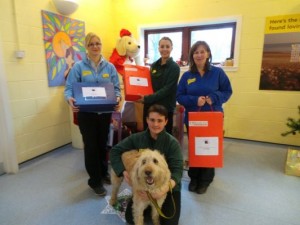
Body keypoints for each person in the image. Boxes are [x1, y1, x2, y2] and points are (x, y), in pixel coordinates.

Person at [64, 32, 121, 196]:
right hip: (86, 114)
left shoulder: (109, 67)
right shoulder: (78, 67)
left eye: (98, 43)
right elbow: (68, 89)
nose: (95, 46)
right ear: (86, 47)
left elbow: (116, 88)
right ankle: (94, 181)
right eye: (91, 44)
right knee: (91, 147)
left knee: (103, 145)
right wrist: (70, 100)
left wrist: (117, 97)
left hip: (104, 114)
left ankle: (103, 173)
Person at [110, 104, 183, 225]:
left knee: (170, 222)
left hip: (166, 185)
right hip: (142, 185)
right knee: (130, 219)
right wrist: (122, 171)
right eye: (152, 120)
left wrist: (163, 190)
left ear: (166, 121)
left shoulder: (172, 143)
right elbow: (114, 151)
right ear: (147, 120)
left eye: (160, 120)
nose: (155, 124)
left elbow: (178, 171)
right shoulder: (136, 138)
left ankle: (152, 210)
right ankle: (115, 196)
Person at [176, 41, 232, 194]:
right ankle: (194, 177)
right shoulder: (187, 75)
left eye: (202, 51)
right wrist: (195, 100)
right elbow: (179, 96)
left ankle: (206, 179)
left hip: (212, 117)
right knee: (195, 147)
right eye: (196, 52)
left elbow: (228, 91)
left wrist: (214, 97)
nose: (199, 55)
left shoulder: (218, 73)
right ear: (192, 56)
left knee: (209, 147)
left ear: (208, 54)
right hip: (194, 119)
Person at [138, 37, 180, 135]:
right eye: (162, 46)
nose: (164, 49)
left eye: (167, 46)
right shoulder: (153, 66)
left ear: (171, 48)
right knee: (148, 135)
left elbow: (167, 89)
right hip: (150, 107)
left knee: (164, 137)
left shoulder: (175, 67)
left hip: (165, 107)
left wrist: (147, 98)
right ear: (159, 48)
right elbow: (146, 84)